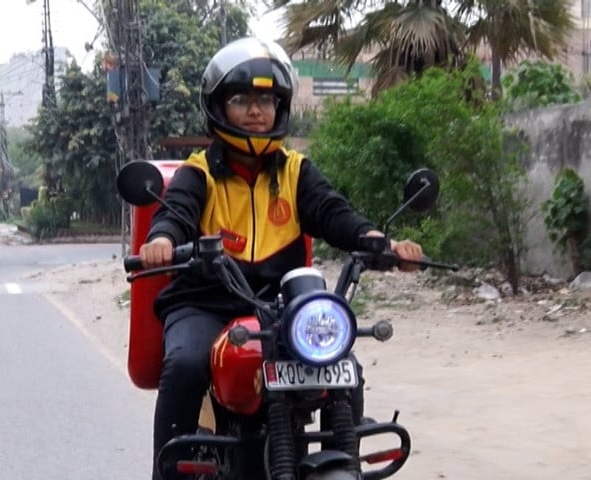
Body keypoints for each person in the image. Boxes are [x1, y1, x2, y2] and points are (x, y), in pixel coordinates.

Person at [139, 37, 423, 480]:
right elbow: (174, 215)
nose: (256, 111)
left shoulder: (295, 170)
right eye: (242, 99)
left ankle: (342, 450)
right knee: (187, 362)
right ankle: (167, 471)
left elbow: (334, 213)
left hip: (279, 307)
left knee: (341, 361)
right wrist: (161, 239)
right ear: (219, 107)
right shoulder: (199, 172)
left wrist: (377, 242)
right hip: (206, 300)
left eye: (266, 100)